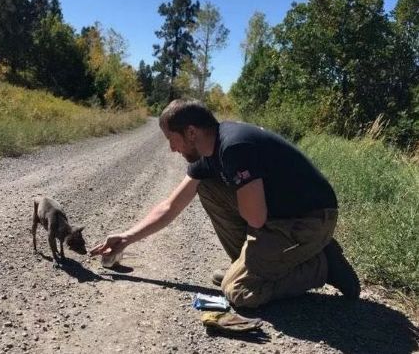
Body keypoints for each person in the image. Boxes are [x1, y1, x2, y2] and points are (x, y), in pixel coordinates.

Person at [90, 99, 360, 308]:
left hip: (310, 219)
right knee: (205, 184)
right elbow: (170, 206)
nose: (172, 149)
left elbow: (255, 219)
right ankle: (258, 266)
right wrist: (126, 238)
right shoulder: (209, 153)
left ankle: (322, 266)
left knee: (238, 292)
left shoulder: (234, 148)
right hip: (279, 217)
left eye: (172, 140)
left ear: (191, 132)